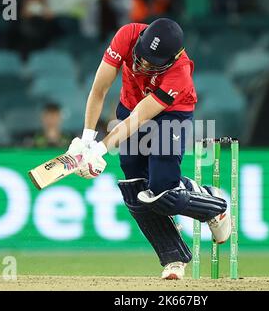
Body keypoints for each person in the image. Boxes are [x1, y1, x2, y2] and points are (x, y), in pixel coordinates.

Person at [65, 18, 231, 279]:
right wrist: (87, 139)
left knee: (164, 194)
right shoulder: (127, 35)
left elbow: (139, 119)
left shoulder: (180, 73)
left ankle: (214, 205)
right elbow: (100, 89)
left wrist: (100, 150)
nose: (142, 65)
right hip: (129, 105)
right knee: (135, 189)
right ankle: (174, 258)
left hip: (170, 115)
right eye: (141, 57)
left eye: (152, 64)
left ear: (171, 59)